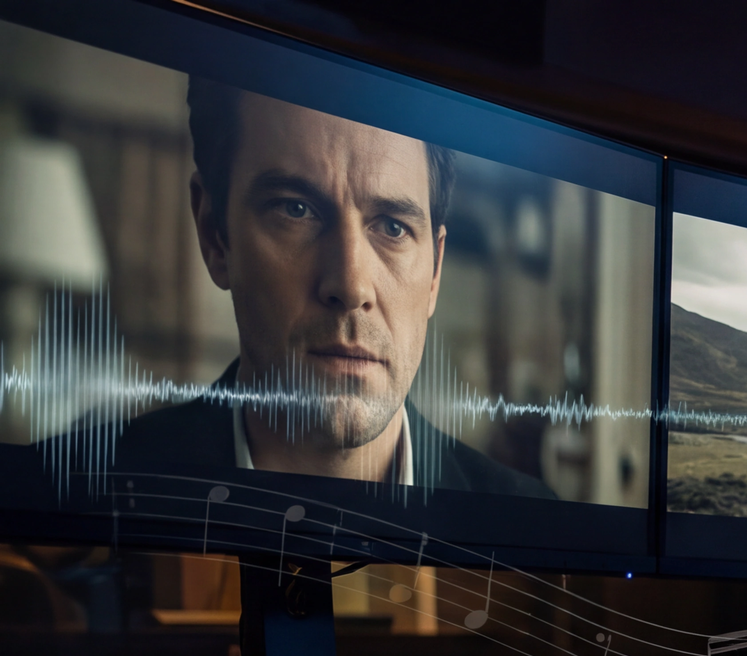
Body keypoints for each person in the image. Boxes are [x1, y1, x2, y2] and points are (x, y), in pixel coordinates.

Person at [111, 81, 551, 498]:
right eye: (296, 210)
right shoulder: (73, 498)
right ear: (213, 234)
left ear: (435, 271)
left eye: (393, 227)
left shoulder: (536, 542)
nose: (351, 285)